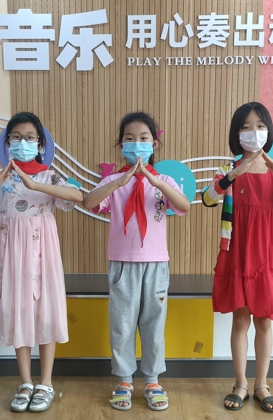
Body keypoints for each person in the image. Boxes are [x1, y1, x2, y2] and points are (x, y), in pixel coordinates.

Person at [0, 112, 82, 413]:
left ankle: (46, 383)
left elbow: (76, 195)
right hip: (9, 260)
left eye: (30, 137)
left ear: (40, 144)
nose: (23, 142)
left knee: (45, 314)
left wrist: (37, 186)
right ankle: (25, 382)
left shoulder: (49, 176)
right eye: (17, 137)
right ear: (8, 142)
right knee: (17, 313)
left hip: (42, 258)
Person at [202, 102, 273, 413]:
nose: (254, 132)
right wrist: (234, 173)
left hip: (268, 252)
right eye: (246, 127)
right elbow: (208, 199)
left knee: (264, 320)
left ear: (269, 131)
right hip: (237, 251)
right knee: (240, 319)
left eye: (260, 126)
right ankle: (240, 383)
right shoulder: (227, 170)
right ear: (236, 133)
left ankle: (262, 384)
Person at [82, 112, 190, 411]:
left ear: (154, 144)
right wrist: (120, 181)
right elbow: (89, 202)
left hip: (156, 265)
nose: (137, 143)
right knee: (122, 325)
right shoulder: (112, 181)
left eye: (143, 138)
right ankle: (124, 380)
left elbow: (183, 206)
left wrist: (155, 181)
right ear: (121, 145)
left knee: (154, 325)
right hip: (122, 265)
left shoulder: (164, 180)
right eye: (129, 138)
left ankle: (153, 380)